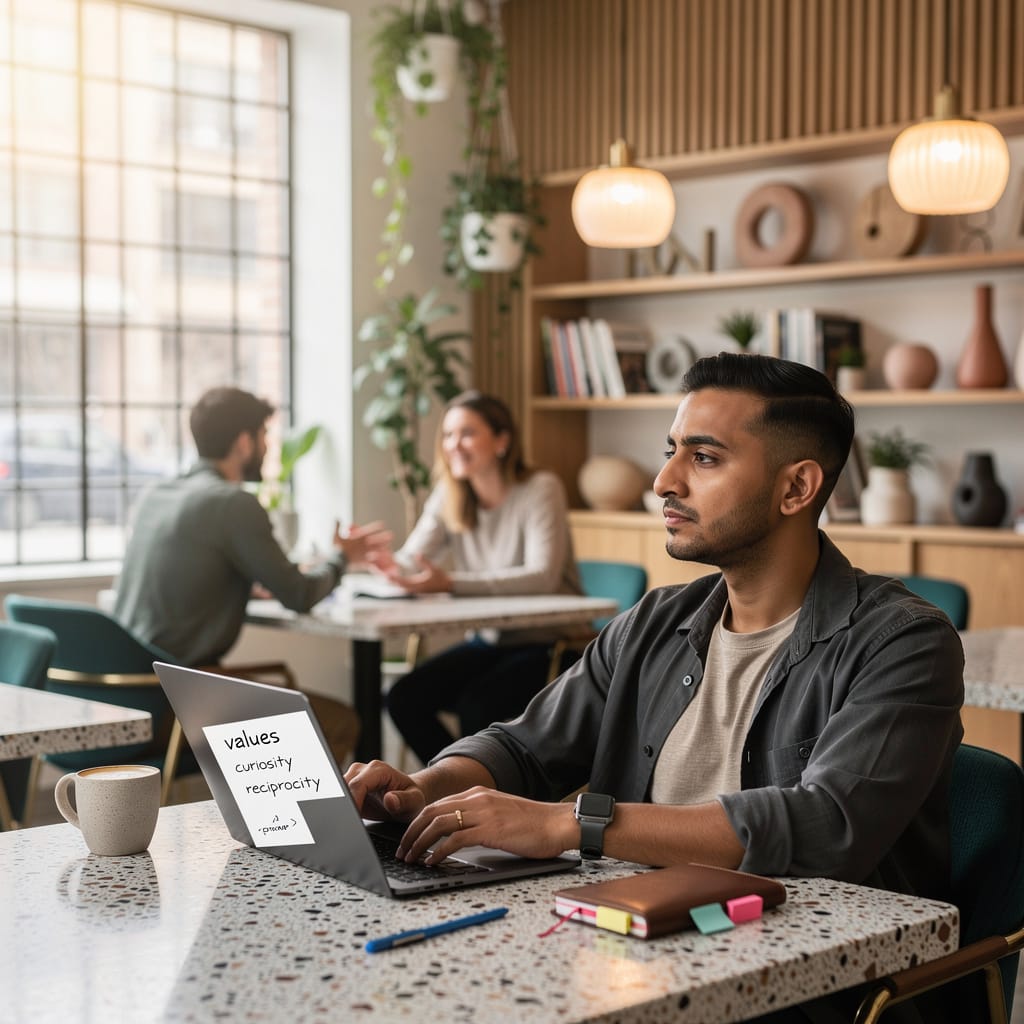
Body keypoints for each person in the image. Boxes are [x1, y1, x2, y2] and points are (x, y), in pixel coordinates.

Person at [346, 355, 965, 1023]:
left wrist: (568, 824)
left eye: (704, 458)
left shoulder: (904, 641)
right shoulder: (652, 622)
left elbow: (827, 825)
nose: (664, 481)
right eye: (671, 452)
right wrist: (426, 789)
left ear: (797, 489)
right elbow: (524, 747)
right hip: (635, 953)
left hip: (812, 988)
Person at [373, 390, 582, 766]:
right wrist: (375, 562)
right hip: (489, 640)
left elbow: (542, 578)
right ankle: (451, 788)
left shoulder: (540, 488)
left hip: (552, 641)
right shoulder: (450, 492)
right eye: (448, 435)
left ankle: (475, 793)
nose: (454, 445)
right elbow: (412, 559)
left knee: (478, 706)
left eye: (467, 433)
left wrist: (451, 583)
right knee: (403, 698)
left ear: (502, 442)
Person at [115, 385, 390, 667]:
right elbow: (300, 595)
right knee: (340, 713)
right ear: (244, 443)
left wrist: (242, 584)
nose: (269, 446)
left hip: (124, 680)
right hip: (178, 687)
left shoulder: (155, 494)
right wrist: (341, 556)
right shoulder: (233, 504)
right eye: (265, 435)